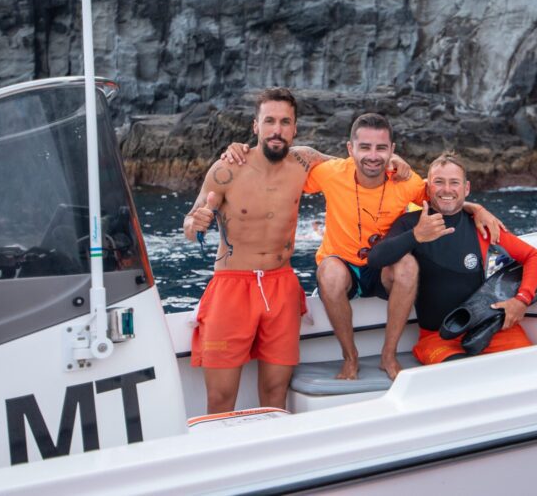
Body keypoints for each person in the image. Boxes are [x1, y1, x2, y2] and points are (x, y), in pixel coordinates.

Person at [222, 114, 504, 381]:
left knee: (408, 265)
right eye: (365, 147)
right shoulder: (330, 173)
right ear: (350, 148)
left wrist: (475, 207)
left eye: (381, 148)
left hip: (383, 270)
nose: (373, 155)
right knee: (330, 272)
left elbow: (445, 197)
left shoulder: (407, 182)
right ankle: (350, 357)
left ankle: (388, 355)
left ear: (392, 149)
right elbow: (285, 160)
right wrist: (242, 150)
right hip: (345, 270)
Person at [182, 87, 328, 414]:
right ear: (256, 126)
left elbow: (359, 167)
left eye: (285, 122)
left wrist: (394, 159)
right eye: (270, 121)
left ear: (295, 128)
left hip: (281, 285)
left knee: (276, 395)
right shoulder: (227, 169)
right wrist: (198, 222)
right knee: (220, 400)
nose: (277, 130)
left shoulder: (305, 162)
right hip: (232, 286)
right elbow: (190, 227)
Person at [366, 152, 537, 365]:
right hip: (438, 338)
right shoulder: (412, 224)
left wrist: (521, 300)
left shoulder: (480, 225)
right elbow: (376, 258)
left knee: (531, 367)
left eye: (454, 183)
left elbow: (533, 256)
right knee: (459, 378)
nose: (447, 189)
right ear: (428, 188)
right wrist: (416, 236)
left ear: (466, 188)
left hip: (491, 329)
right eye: (439, 182)